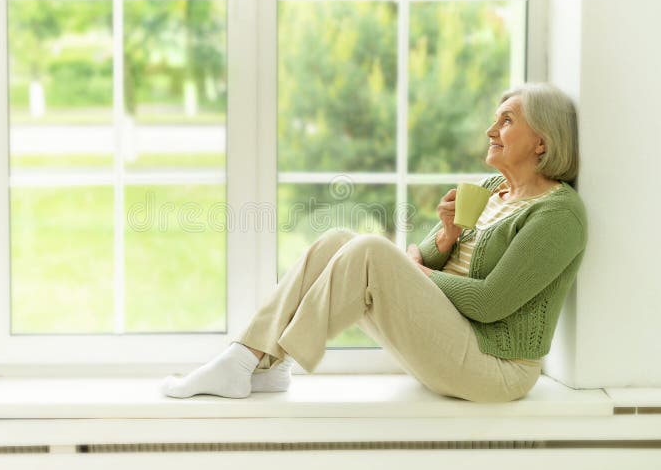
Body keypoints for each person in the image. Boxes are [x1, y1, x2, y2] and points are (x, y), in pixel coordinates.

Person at [159, 82, 587, 403]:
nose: (492, 129)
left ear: (542, 141)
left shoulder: (559, 214)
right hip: (452, 338)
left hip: (495, 367)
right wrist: (446, 236)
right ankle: (262, 361)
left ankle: (246, 362)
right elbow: (426, 257)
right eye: (496, 119)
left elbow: (491, 302)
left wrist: (413, 271)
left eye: (507, 120)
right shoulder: (493, 188)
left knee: (370, 250)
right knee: (338, 240)